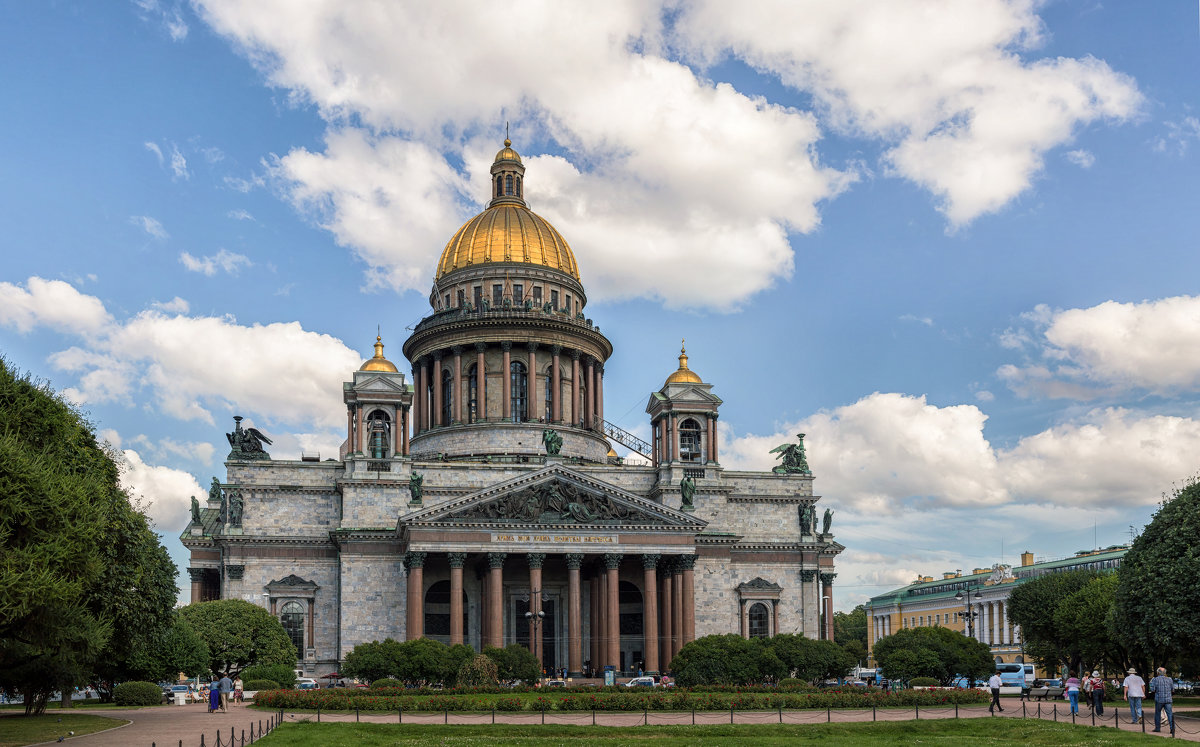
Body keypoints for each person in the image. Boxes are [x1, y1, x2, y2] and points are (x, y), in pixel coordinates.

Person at [1149, 667, 1174, 734]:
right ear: (1165, 672)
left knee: (1157, 713)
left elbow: (1152, 690)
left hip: (1159, 699)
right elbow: (1172, 689)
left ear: (1158, 672)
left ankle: (1157, 728)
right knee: (1170, 714)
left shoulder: (1155, 679)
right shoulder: (1170, 679)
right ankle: (1172, 728)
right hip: (1168, 699)